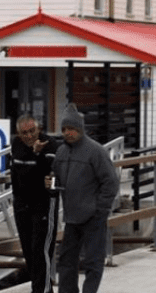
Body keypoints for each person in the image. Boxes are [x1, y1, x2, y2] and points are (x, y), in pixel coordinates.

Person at [46, 103, 119, 293]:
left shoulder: (96, 151)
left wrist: (100, 210)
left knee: (93, 262)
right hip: (71, 218)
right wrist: (51, 184)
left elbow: (110, 182)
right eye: (64, 129)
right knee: (66, 261)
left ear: (80, 129)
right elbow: (57, 180)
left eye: (71, 129)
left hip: (93, 217)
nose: (67, 133)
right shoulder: (61, 152)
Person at [10, 114, 59, 293]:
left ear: (39, 129)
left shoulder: (50, 145)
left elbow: (46, 176)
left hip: (43, 204)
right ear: (19, 133)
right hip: (22, 205)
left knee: (41, 251)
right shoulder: (16, 145)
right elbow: (19, 175)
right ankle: (39, 289)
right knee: (29, 253)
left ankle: (43, 291)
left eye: (32, 131)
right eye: (25, 133)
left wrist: (37, 154)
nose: (29, 136)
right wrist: (16, 201)